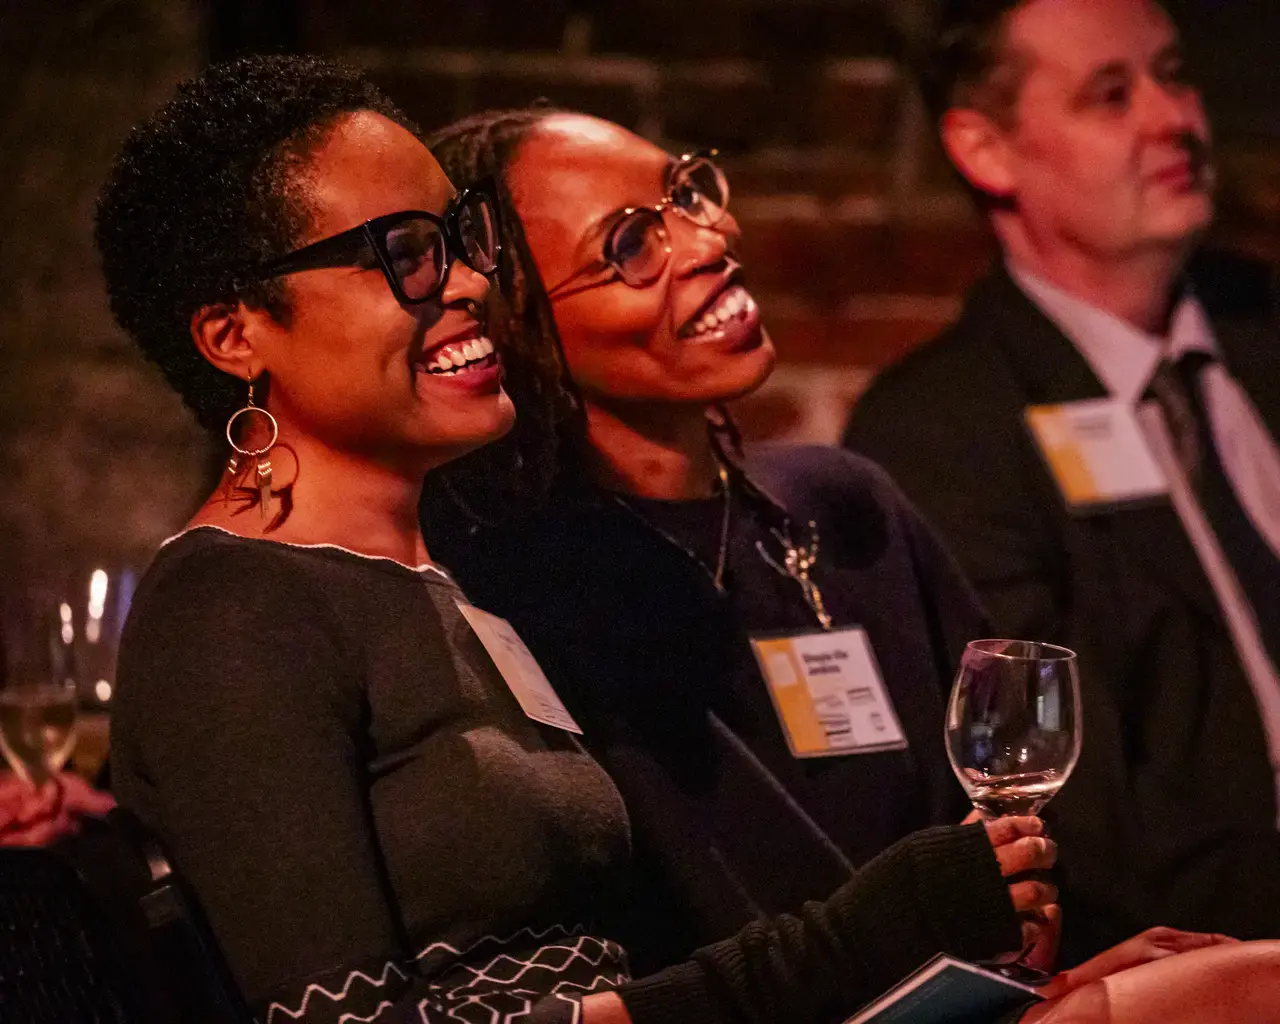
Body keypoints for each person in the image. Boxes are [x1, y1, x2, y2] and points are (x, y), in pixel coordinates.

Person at [97, 54, 1062, 1024]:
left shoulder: (430, 577)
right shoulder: (229, 611)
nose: (472, 281)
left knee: (1195, 981)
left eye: (460, 238)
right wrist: (853, 943)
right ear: (234, 335)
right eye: (403, 250)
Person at [422, 107, 1043, 974]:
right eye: (633, 244)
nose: (711, 239)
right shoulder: (517, 593)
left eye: (688, 194)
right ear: (521, 327)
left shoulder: (844, 505)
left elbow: (1013, 790)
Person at [844, 0, 1280, 963]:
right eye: (1111, 94)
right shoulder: (945, 430)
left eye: (1174, 75)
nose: (1174, 118)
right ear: (985, 148)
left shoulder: (1262, 332)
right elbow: (1071, 817)